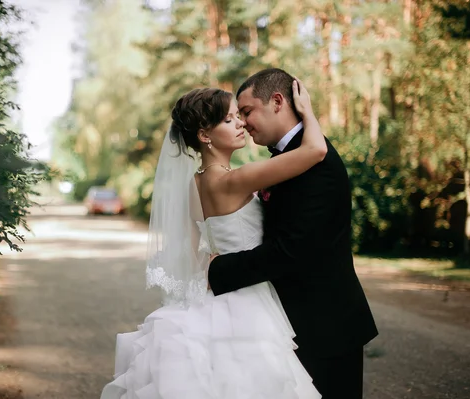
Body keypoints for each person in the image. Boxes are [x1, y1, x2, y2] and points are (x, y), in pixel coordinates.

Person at [100, 78, 326, 399]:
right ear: (204, 135)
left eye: (239, 115)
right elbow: (316, 150)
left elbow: (192, 252)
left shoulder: (194, 184)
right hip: (245, 300)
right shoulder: (236, 180)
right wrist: (307, 112)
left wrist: (210, 266)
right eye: (229, 120)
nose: (242, 125)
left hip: (213, 293)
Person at [208, 68, 379, 399]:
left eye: (246, 112)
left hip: (324, 326)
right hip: (288, 321)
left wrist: (217, 270)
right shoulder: (291, 157)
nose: (243, 122)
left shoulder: (317, 162)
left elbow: (292, 250)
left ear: (276, 102)